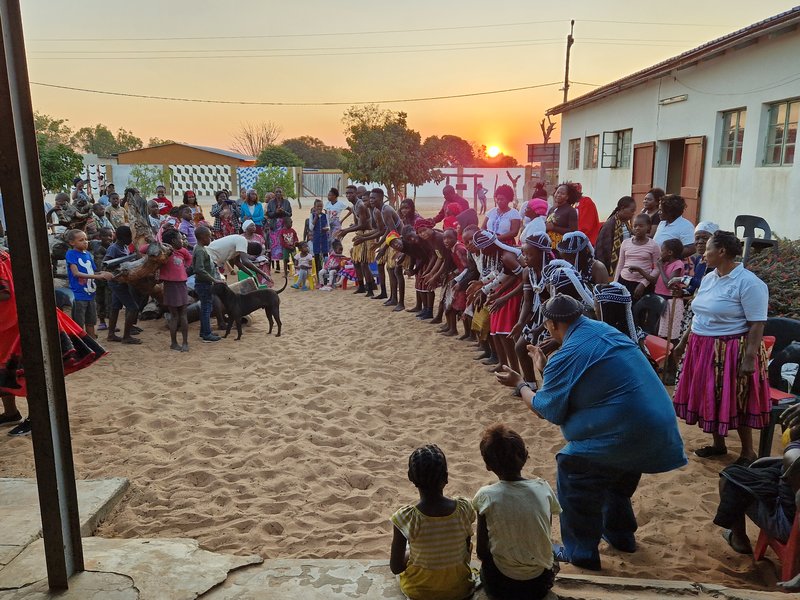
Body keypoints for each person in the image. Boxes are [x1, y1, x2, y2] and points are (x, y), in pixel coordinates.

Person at [497, 294, 687, 570]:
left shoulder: (570, 352)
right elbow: (576, 377)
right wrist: (544, 366)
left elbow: (545, 408)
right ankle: (621, 536)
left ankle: (580, 551)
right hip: (655, 429)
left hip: (623, 433)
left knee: (574, 466)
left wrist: (520, 384)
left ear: (551, 325)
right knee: (615, 478)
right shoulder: (604, 330)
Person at [673, 230, 771, 466]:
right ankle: (719, 444)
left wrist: (749, 358)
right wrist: (683, 342)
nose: (703, 252)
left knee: (737, 397)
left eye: (707, 248)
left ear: (722, 251)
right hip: (702, 345)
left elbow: (757, 323)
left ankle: (748, 452)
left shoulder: (748, 283)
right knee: (711, 394)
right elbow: (698, 314)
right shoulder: (709, 277)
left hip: (731, 349)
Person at [0, 248, 107, 436]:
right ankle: (11, 413)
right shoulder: (5, 252)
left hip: (17, 321)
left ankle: (36, 418)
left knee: (28, 372)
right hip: (13, 321)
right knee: (7, 371)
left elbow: (4, 293)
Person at [713, 403, 800, 579]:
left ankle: (739, 540)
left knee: (729, 479)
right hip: (788, 489)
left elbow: (794, 460)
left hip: (787, 522)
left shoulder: (794, 458)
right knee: (759, 469)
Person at [473, 424, 560, 600]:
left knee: (486, 567)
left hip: (500, 585)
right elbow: (544, 535)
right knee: (553, 555)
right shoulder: (543, 488)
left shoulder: (486, 496)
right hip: (539, 584)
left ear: (488, 465)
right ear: (525, 456)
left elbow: (482, 552)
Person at [389, 444, 476, 600]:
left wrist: (410, 554)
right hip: (459, 589)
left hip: (420, 592)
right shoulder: (464, 509)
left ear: (410, 477)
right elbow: (466, 551)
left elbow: (395, 568)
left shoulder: (406, 518)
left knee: (411, 549)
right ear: (446, 477)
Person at [468, 230, 523, 373]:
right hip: (505, 291)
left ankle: (514, 369)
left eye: (482, 249)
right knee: (495, 329)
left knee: (504, 331)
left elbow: (520, 277)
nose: (482, 252)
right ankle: (503, 363)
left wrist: (498, 294)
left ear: (488, 246)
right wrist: (482, 284)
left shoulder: (507, 256)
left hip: (513, 293)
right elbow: (501, 273)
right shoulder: (499, 254)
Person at [511, 232, 553, 383]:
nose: (525, 258)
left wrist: (541, 328)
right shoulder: (527, 272)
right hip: (538, 315)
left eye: (530, 254)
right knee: (520, 348)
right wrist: (521, 323)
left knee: (542, 353)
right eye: (524, 253)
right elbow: (528, 301)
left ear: (542, 255)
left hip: (554, 318)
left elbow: (556, 306)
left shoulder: (552, 273)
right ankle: (530, 385)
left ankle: (548, 389)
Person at [631, 238, 685, 341]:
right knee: (655, 329)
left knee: (668, 334)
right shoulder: (665, 264)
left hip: (669, 302)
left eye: (662, 250)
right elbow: (654, 280)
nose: (660, 253)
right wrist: (640, 270)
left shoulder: (678, 264)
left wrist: (660, 268)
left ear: (670, 252)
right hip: (659, 301)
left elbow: (669, 284)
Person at [65, 229, 113, 338]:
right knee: (78, 323)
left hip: (90, 294)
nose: (85, 242)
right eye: (81, 240)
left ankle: (92, 344)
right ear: (72, 243)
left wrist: (104, 273)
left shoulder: (87, 255)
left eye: (86, 239)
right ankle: (81, 347)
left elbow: (93, 271)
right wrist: (98, 276)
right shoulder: (71, 254)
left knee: (91, 321)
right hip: (79, 295)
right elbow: (76, 273)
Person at [336, 185, 377, 296]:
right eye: (347, 193)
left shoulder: (360, 205)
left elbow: (362, 225)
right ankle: (361, 286)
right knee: (356, 261)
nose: (348, 195)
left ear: (356, 193)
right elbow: (356, 224)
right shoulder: (354, 206)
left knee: (364, 263)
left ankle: (370, 289)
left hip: (367, 234)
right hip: (360, 234)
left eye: (351, 193)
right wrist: (346, 229)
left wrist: (346, 231)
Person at [104, 226, 142, 345]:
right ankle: (126, 336)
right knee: (133, 307)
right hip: (116, 282)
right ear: (122, 237)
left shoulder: (124, 247)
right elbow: (106, 264)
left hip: (122, 282)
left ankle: (111, 334)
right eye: (128, 237)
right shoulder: (113, 248)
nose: (130, 239)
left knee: (115, 307)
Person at [159, 229, 192, 351]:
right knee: (175, 315)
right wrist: (163, 245)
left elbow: (189, 258)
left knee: (182, 314)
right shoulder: (163, 252)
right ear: (173, 241)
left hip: (181, 284)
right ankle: (174, 342)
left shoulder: (182, 251)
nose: (182, 241)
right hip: (170, 285)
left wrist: (185, 268)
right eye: (180, 238)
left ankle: (184, 342)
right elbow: (143, 249)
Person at [613, 213, 659, 299]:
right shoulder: (625, 243)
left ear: (648, 227)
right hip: (624, 282)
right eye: (635, 226)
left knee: (638, 311)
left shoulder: (654, 245)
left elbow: (657, 268)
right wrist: (615, 283)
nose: (637, 228)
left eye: (641, 226)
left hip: (642, 286)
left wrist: (643, 284)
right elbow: (620, 265)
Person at [594, 196, 636, 278]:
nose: (633, 213)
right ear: (623, 208)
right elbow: (603, 249)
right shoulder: (610, 224)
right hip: (612, 265)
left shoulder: (625, 224)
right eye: (632, 211)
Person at [191, 226, 221, 343]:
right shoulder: (199, 250)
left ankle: (205, 331)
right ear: (203, 237)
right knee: (206, 308)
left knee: (206, 307)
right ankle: (206, 334)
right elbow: (199, 269)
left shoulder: (200, 248)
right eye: (209, 236)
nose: (211, 238)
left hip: (204, 283)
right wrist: (214, 279)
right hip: (203, 284)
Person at [206, 234, 273, 284]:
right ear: (250, 251)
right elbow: (245, 261)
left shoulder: (239, 244)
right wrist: (263, 273)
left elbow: (237, 262)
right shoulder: (242, 241)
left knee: (218, 284)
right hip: (209, 257)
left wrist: (252, 275)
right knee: (216, 285)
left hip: (212, 260)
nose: (247, 254)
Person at [266, 187, 293, 271]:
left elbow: (290, 214)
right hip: (274, 226)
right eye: (276, 192)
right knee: (275, 246)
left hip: (284, 225)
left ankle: (287, 265)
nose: (278, 193)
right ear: (274, 193)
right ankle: (277, 265)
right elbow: (269, 214)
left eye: (280, 192)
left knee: (285, 244)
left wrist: (283, 211)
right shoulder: (270, 203)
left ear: (282, 193)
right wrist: (275, 212)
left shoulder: (286, 202)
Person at [545, 183, 579, 249]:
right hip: (549, 245)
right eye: (557, 192)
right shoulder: (552, 209)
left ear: (567, 197)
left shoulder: (571, 211)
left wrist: (554, 228)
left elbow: (573, 231)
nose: (558, 195)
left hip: (562, 247)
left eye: (562, 194)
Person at [309, 198, 330, 273]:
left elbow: (329, 226)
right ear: (314, 207)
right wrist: (316, 218)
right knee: (317, 255)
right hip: (316, 238)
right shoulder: (312, 215)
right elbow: (311, 228)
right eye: (318, 206)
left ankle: (325, 271)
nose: (319, 208)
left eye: (321, 206)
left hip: (324, 238)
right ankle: (318, 273)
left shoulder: (325, 215)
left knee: (325, 255)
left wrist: (326, 228)